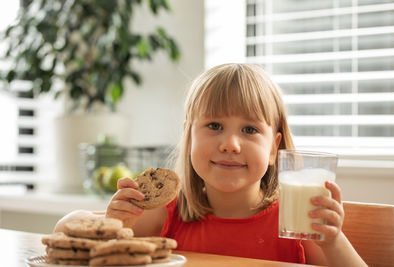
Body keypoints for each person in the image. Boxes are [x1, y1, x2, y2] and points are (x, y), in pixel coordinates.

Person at [55, 63, 366, 266]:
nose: (230, 143)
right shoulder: (167, 212)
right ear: (188, 137)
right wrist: (113, 222)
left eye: (249, 130)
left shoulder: (296, 223)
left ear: (274, 148)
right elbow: (64, 232)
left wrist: (333, 240)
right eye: (214, 125)